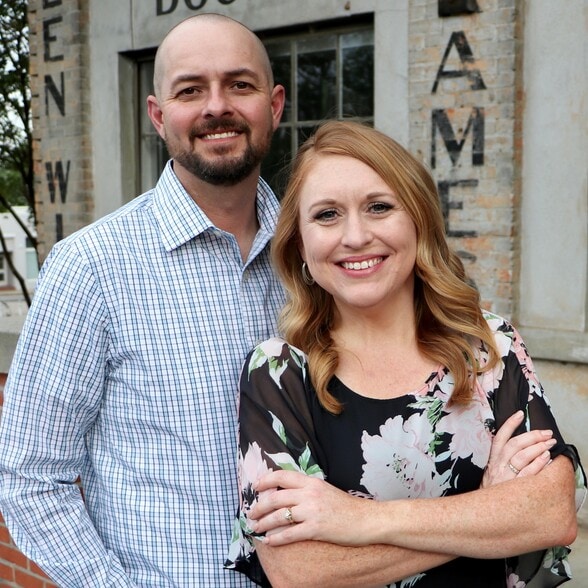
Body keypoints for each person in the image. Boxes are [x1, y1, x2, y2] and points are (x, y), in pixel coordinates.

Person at [226, 120, 587, 587]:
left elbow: (551, 513)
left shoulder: (486, 348)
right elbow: (298, 571)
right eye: (327, 214)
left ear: (419, 221)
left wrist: (358, 519)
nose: (355, 236)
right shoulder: (279, 373)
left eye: (379, 207)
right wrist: (487, 511)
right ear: (299, 243)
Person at [0, 13, 285, 587]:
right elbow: (30, 477)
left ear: (274, 105)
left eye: (239, 84)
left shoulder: (317, 257)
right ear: (158, 115)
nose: (216, 107)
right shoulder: (91, 267)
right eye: (190, 90)